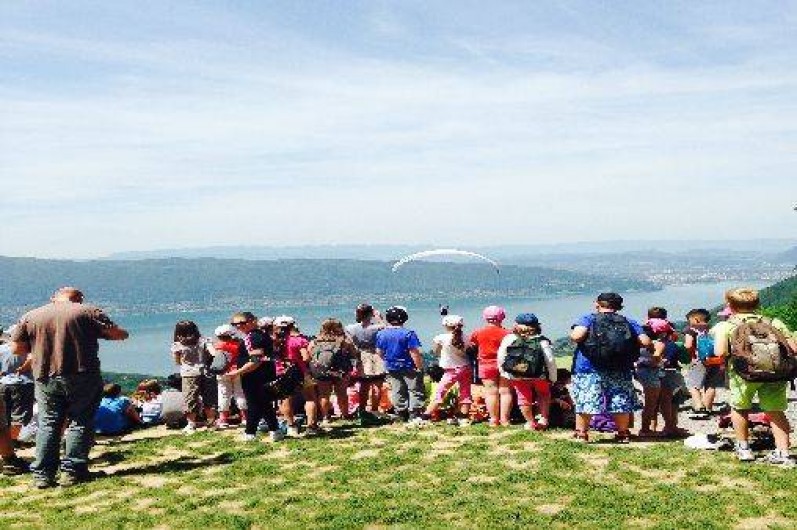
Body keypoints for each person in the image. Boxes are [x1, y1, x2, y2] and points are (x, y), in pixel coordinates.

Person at [10, 286, 129, 488]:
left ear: (53, 298)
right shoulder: (88, 311)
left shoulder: (31, 316)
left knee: (48, 423)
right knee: (80, 420)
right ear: (79, 299)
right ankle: (73, 472)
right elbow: (118, 334)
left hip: (45, 375)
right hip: (82, 374)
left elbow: (16, 348)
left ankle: (43, 476)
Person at [712, 288, 797, 465]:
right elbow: (793, 348)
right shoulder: (774, 322)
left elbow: (720, 352)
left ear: (730, 305)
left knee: (740, 408)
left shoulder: (726, 326)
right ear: (757, 304)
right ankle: (783, 453)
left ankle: (744, 449)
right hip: (775, 374)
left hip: (742, 374)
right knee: (775, 411)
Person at [569, 292, 650, 443]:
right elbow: (645, 341)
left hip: (589, 367)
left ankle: (582, 434)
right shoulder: (628, 321)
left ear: (597, 304)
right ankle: (622, 433)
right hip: (620, 367)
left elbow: (576, 336)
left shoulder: (588, 318)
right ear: (619, 306)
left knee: (586, 399)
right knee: (620, 399)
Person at [225, 312, 282, 442]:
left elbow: (256, 360)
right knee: (264, 404)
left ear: (253, 321)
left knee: (254, 404)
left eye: (242, 323)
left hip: (254, 376)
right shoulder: (261, 334)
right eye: (235, 324)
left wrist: (238, 372)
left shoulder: (253, 337)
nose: (239, 326)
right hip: (265, 373)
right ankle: (275, 430)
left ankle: (250, 433)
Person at [496, 313, 558, 430]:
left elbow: (501, 357)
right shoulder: (542, 341)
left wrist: (504, 373)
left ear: (516, 325)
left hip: (517, 374)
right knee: (544, 394)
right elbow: (550, 360)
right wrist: (553, 377)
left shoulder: (509, 338)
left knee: (523, 397)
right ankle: (543, 419)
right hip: (539, 375)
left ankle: (530, 422)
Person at [376, 306, 426, 423]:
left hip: (392, 366)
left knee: (397, 389)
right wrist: (419, 367)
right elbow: (414, 352)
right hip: (409, 366)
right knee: (414, 389)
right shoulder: (408, 333)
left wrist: (387, 360)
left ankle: (400, 412)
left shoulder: (382, 334)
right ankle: (414, 412)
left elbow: (379, 352)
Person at [637, 318, 685, 437]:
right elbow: (656, 359)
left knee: (652, 402)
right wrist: (659, 362)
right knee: (652, 403)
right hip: (652, 373)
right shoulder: (659, 344)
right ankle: (646, 429)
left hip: (641, 372)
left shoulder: (640, 343)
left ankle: (652, 428)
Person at [307, 318, 357, 434]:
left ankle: (325, 417)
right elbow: (354, 354)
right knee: (342, 393)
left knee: (324, 395)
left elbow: (310, 356)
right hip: (340, 371)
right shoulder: (344, 341)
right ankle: (345, 415)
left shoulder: (315, 341)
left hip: (321, 371)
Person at [422, 315, 473, 425]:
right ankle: (463, 417)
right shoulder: (467, 337)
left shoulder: (441, 338)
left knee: (439, 393)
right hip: (465, 367)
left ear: (446, 325)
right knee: (465, 393)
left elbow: (435, 352)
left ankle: (426, 416)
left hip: (450, 370)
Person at [170, 321, 218, 434]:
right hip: (206, 372)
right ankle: (211, 423)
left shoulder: (177, 345)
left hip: (189, 373)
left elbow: (177, 361)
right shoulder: (205, 341)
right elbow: (214, 353)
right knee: (209, 397)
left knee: (190, 398)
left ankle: (191, 424)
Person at [468, 306, 511, 426]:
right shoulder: (508, 333)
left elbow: (472, 346)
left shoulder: (478, 333)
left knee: (491, 392)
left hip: (486, 364)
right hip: (505, 364)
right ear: (502, 317)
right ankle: (505, 419)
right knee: (505, 392)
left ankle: (493, 419)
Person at [345, 304, 386, 425]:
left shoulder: (350, 328)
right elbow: (387, 328)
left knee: (364, 385)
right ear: (370, 314)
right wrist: (379, 317)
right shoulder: (377, 327)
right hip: (375, 356)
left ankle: (362, 409)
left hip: (361, 357)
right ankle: (374, 410)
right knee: (377, 385)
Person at [272, 316, 312, 436]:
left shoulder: (273, 342)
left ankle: (291, 426)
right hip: (300, 371)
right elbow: (306, 358)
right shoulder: (298, 340)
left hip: (280, 372)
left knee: (285, 400)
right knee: (310, 398)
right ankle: (311, 425)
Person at [683, 308, 724, 419]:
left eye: (689, 320)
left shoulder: (691, 330)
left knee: (693, 385)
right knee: (710, 385)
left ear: (695, 319)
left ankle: (699, 407)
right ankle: (708, 408)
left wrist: (689, 355)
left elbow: (688, 345)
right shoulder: (713, 329)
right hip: (715, 360)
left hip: (699, 360)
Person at [0, 325, 35, 440]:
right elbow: (31, 359)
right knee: (19, 416)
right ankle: (12, 442)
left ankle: (6, 441)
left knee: (4, 416)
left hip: (3, 383)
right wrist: (23, 368)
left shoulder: (2, 349)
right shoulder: (28, 348)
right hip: (23, 384)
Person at [212, 324, 247, 429]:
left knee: (223, 395)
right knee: (240, 394)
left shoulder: (218, 345)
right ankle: (245, 418)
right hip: (237, 371)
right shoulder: (239, 344)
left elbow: (213, 355)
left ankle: (223, 419)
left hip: (223, 372)